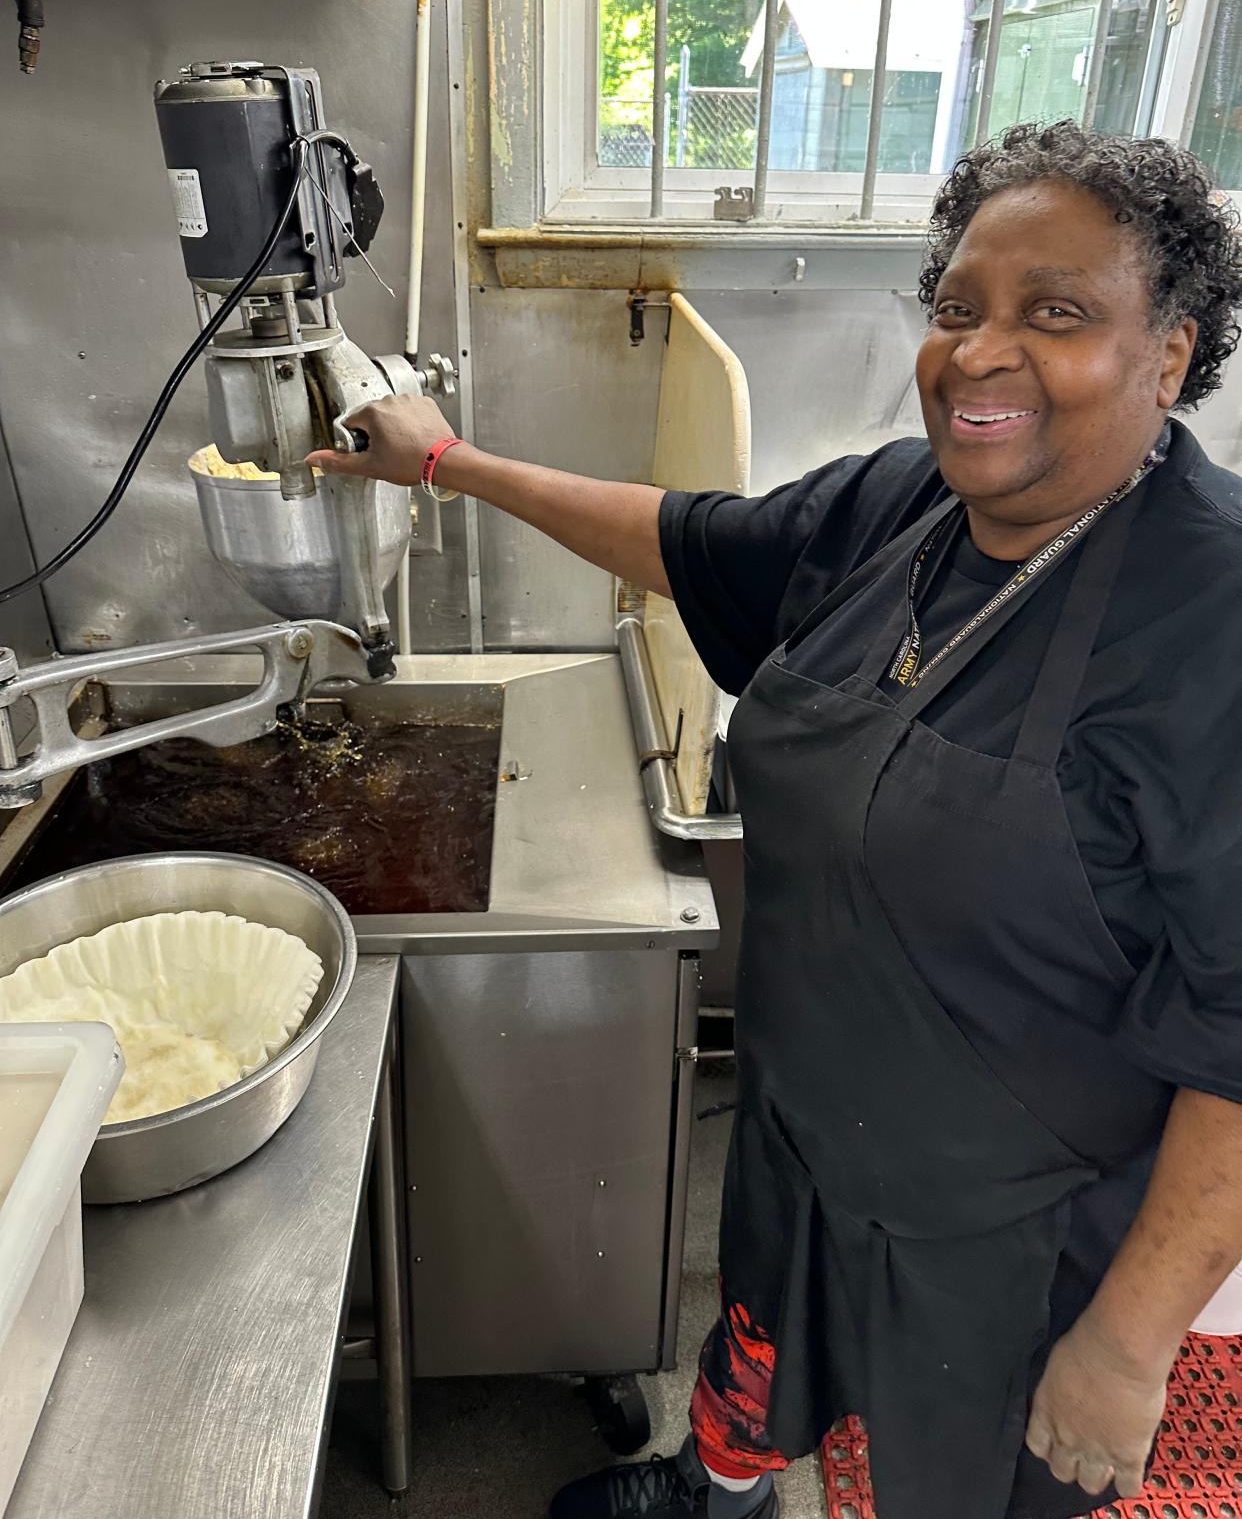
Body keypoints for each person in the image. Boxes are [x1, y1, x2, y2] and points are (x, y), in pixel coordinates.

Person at [308, 122, 1242, 1519]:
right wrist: (445, 463)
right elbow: (685, 539)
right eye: (955, 309)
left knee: (974, 1483)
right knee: (752, 1363)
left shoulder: (1211, 623)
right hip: (806, 1131)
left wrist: (1126, 1341)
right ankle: (718, 1489)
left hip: (1011, 1232)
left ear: (1167, 353)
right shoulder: (904, 509)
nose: (978, 354)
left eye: (1056, 315)